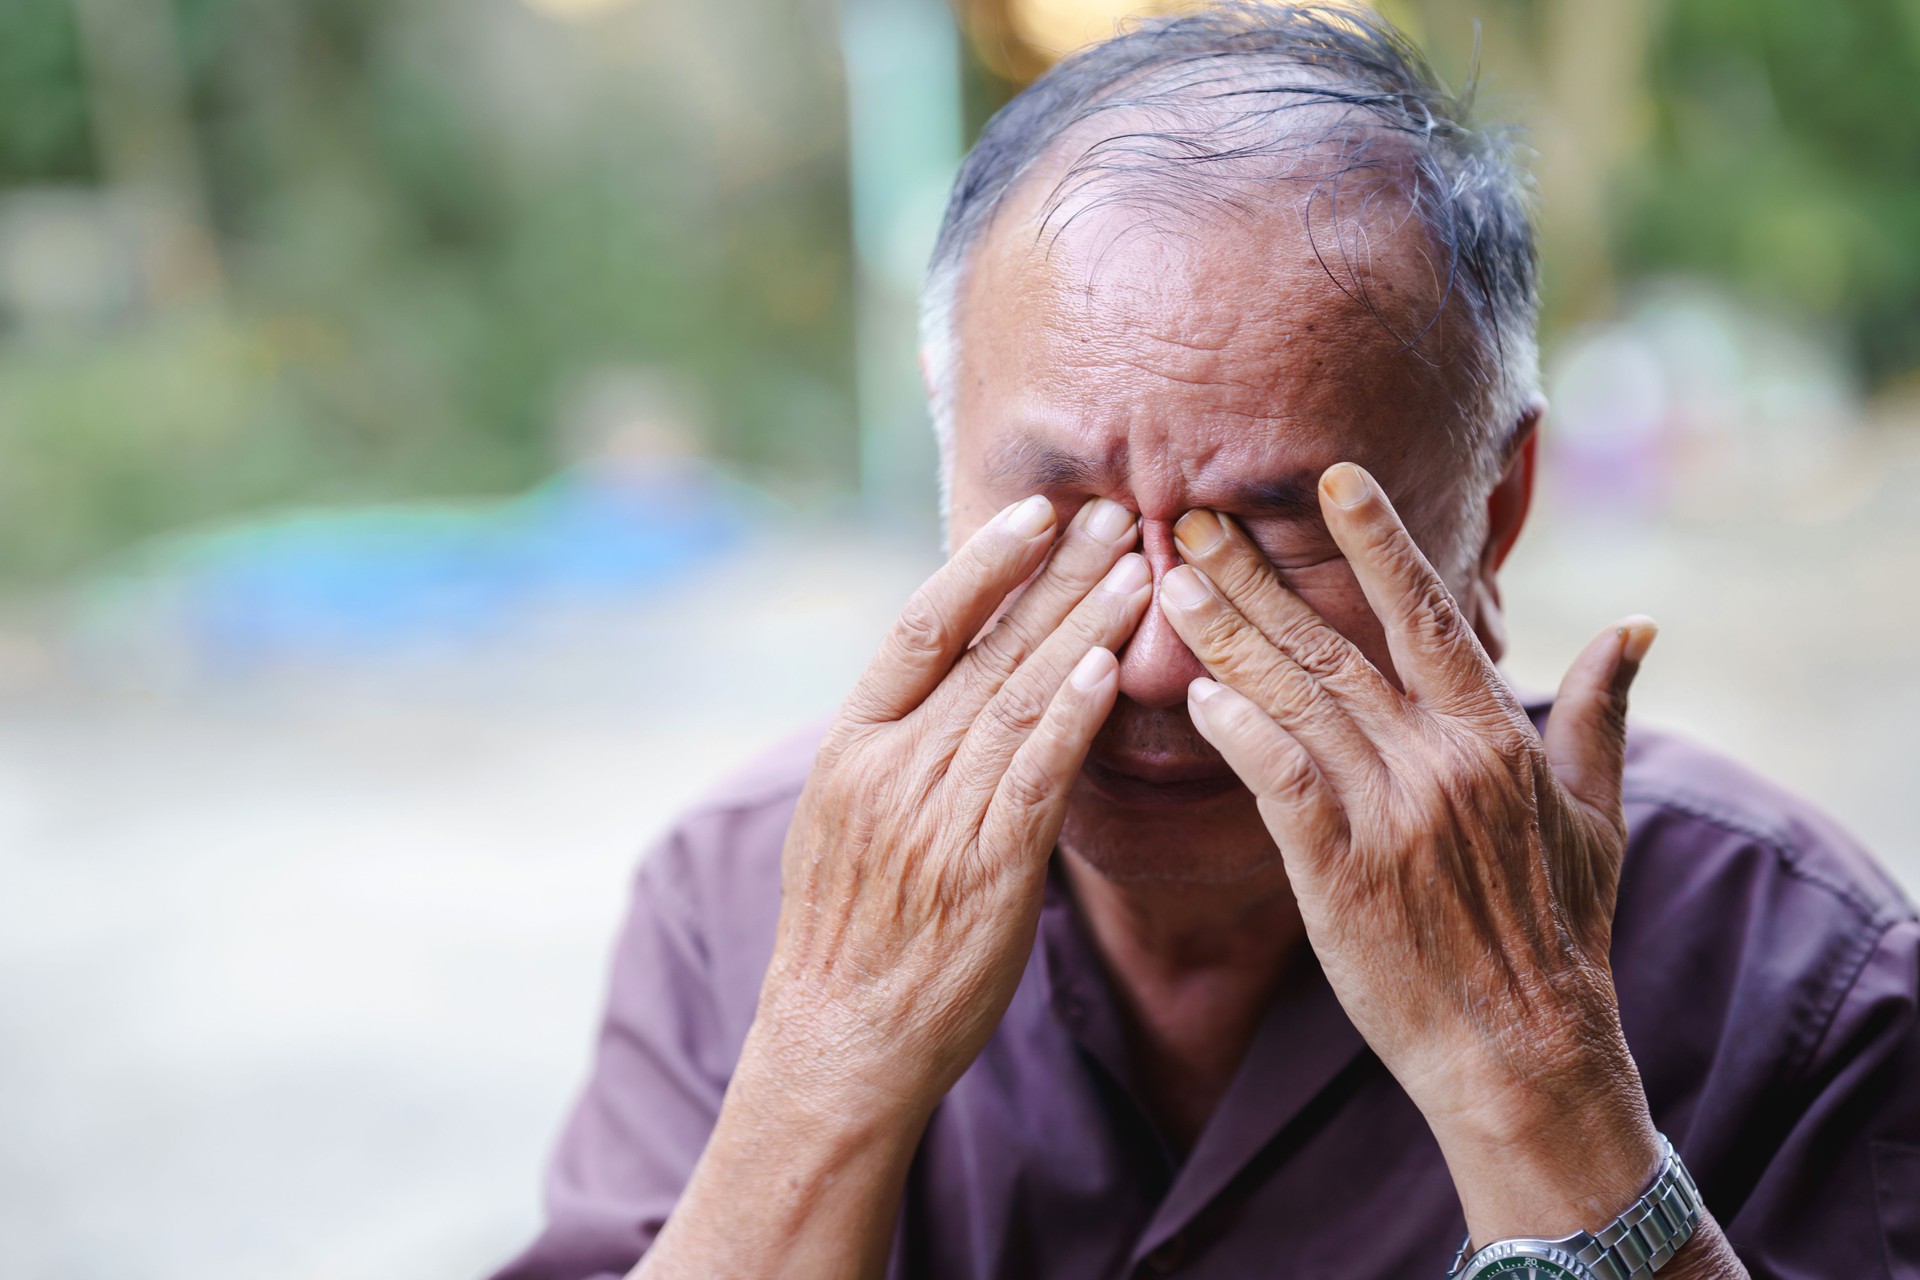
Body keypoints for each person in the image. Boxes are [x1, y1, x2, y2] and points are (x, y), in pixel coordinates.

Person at [493, 6, 1920, 1278]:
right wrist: (819, 1075)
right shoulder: (738, 906)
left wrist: (1538, 1090)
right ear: (946, 462)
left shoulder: (1791, 965)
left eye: (1276, 531)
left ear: (1496, 502)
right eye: (1061, 512)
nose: (1162, 660)